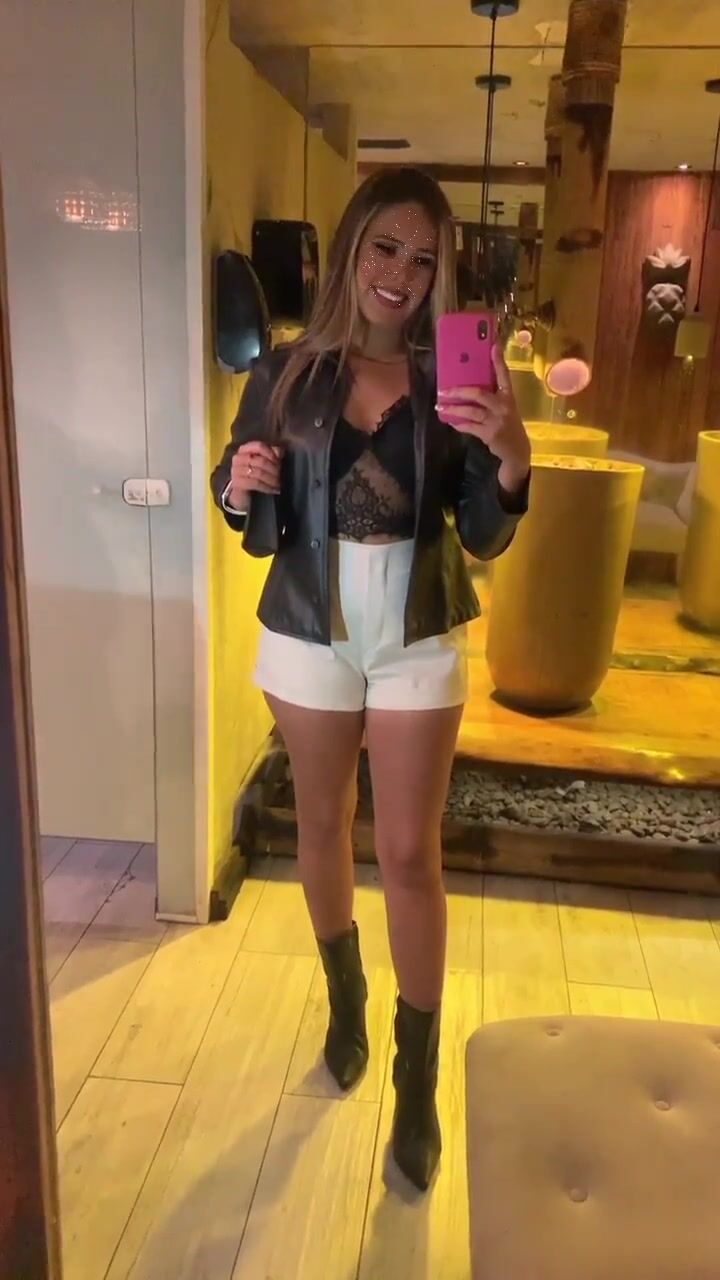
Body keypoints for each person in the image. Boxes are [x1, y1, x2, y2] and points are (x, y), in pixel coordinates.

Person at [211, 167, 530, 1192]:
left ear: (442, 274)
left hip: (418, 630)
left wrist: (510, 454)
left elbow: (481, 532)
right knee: (320, 824)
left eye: (425, 257)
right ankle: (345, 1000)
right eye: (386, 246)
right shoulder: (287, 369)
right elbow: (243, 494)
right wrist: (239, 483)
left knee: (407, 853)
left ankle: (416, 1079)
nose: (402, 272)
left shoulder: (453, 379)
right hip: (310, 628)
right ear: (351, 247)